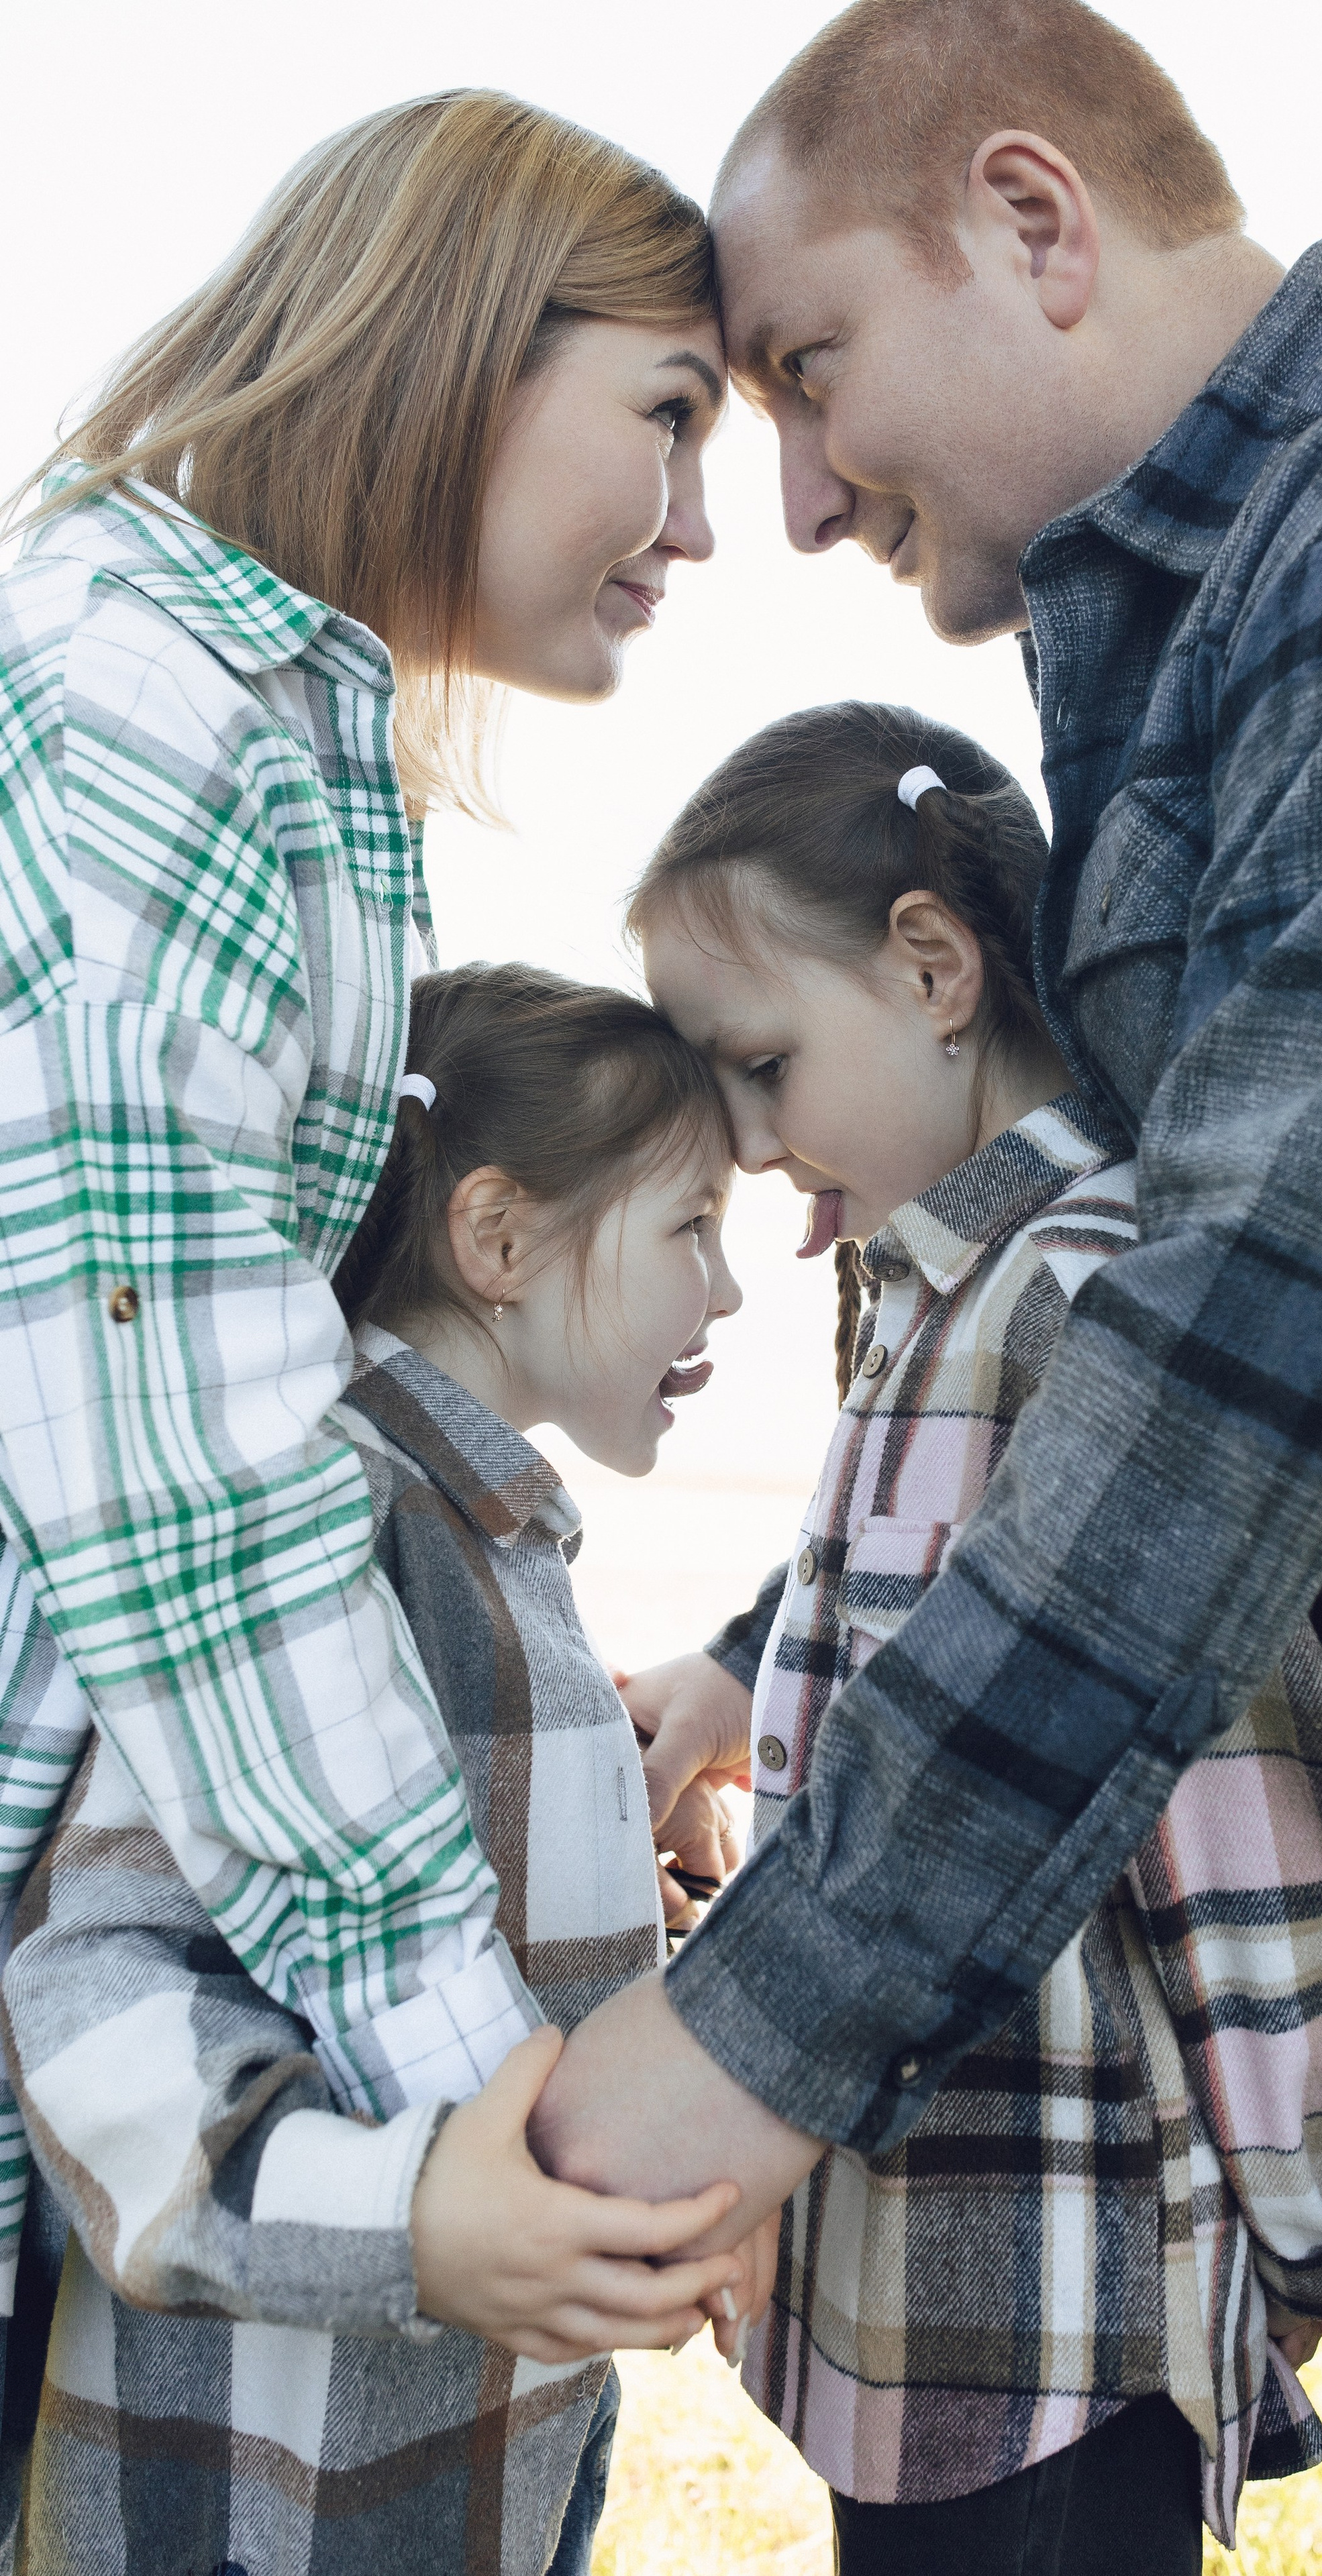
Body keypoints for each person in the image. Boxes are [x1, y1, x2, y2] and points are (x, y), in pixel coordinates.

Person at [526, 6, 1322, 2568]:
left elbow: (1269, 1334)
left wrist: (758, 2031)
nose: (808, 495)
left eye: (813, 371)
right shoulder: (1185, 661)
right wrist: (755, 1649)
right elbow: (1121, 1319)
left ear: (1037, 221)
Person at [0, 84, 724, 2326]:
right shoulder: (149, 708)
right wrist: (478, 2087)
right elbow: (173, 1478)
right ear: (471, 341)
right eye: (670, 413)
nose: (702, 523)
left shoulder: (271, 721)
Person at [625, 700, 1322, 2573]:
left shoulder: (1088, 1294)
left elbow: (1250, 1821)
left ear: (931, 964)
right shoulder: (932, 1290)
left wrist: (1307, 2218)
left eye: (759, 1066)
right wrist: (739, 1685)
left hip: (1061, 2300)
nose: (742, 1144)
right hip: (917, 2287)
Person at [0, 965, 775, 2576]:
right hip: (258, 2504)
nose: (728, 1294)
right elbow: (95, 1996)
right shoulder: (327, 1552)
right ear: (496, 1240)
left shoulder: (490, 1547)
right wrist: (407, 2217)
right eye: (689, 1227)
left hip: (465, 2469)